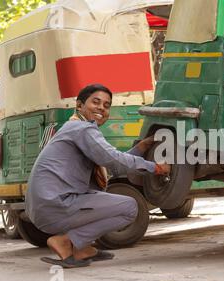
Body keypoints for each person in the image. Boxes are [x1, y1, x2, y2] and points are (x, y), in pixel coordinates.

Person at [25, 84, 169, 268]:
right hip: (55, 204)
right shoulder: (83, 129)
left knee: (104, 197)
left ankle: (78, 249)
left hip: (44, 207)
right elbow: (114, 160)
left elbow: (112, 164)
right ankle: (67, 242)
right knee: (130, 208)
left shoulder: (75, 127)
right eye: (96, 102)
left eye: (107, 105)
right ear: (79, 105)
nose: (102, 107)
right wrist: (155, 167)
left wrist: (141, 148)